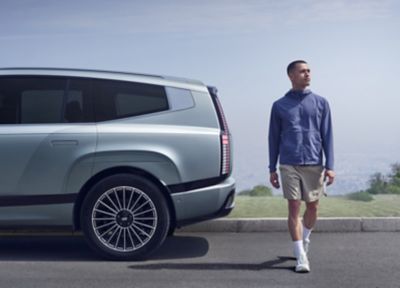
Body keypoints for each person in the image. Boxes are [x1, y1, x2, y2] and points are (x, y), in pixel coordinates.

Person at [268, 60, 335, 273]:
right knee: (294, 207)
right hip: (289, 163)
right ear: (291, 76)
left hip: (314, 163)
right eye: (302, 71)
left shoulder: (321, 103)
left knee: (313, 207)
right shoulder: (279, 105)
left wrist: (330, 165)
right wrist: (272, 167)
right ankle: (300, 256)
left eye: (309, 71)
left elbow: (328, 136)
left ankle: (304, 239)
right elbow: (273, 138)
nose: (307, 74)